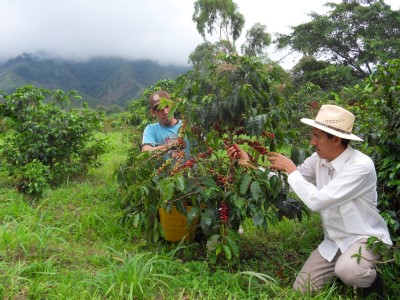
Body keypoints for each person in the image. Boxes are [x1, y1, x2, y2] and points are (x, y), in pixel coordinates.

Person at [227, 104, 392, 295]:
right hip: (334, 241)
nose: (313, 142)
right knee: (302, 290)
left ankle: (371, 280)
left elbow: (317, 201)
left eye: (317, 137)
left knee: (348, 270)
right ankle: (344, 270)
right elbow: (290, 183)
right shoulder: (318, 159)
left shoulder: (360, 166)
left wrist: (291, 169)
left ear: (337, 139)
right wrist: (251, 166)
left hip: (364, 238)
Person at [141, 91, 189, 158]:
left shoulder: (187, 125)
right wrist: (169, 146)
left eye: (167, 106)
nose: (165, 112)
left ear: (173, 106)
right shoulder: (151, 129)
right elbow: (146, 151)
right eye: (159, 109)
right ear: (152, 113)